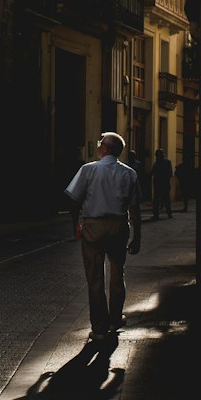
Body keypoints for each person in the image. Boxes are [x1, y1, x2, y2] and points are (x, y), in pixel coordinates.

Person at [64, 131, 142, 343]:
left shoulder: (88, 170)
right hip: (118, 226)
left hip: (94, 226)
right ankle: (115, 319)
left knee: (95, 278)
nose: (98, 145)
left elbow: (73, 199)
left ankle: (99, 328)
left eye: (100, 143)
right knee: (118, 274)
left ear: (105, 148)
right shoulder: (129, 173)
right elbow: (134, 208)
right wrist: (137, 237)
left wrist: (76, 224)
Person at [151, 148, 173, 220]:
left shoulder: (161, 163)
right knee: (163, 199)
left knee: (161, 199)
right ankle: (166, 213)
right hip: (161, 183)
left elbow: (153, 172)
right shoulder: (160, 163)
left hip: (162, 183)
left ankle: (162, 214)